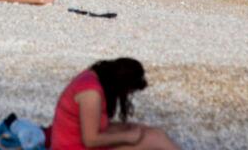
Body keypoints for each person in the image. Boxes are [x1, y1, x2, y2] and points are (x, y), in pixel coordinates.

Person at [49, 58, 179, 150]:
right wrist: (127, 137)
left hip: (72, 142)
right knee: (153, 139)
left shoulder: (92, 76)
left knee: (153, 133)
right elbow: (90, 140)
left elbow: (92, 125)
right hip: (72, 147)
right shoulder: (91, 94)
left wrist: (128, 128)